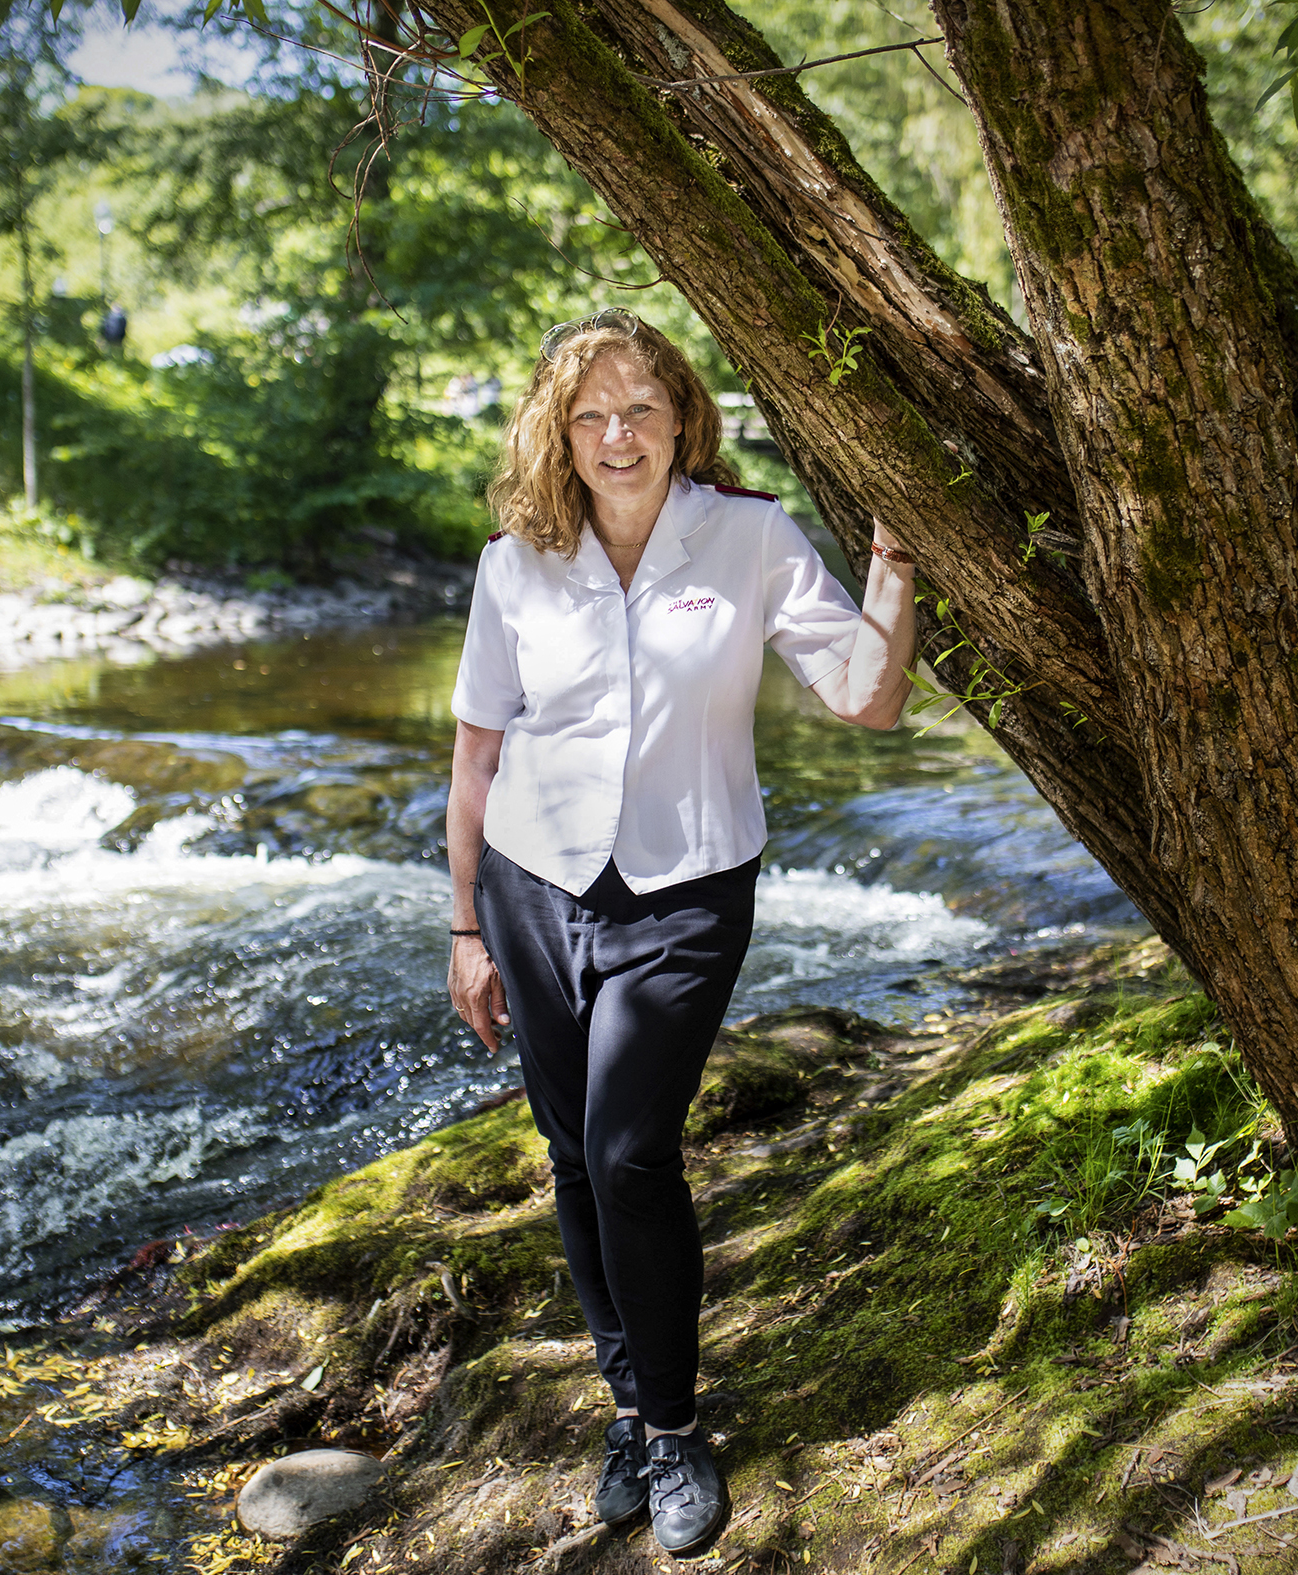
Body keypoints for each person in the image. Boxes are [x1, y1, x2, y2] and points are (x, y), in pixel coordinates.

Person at [445, 309, 916, 1558]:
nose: (618, 435)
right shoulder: (515, 563)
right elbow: (478, 753)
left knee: (628, 1153)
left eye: (641, 409)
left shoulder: (748, 536)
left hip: (688, 892)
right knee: (571, 1157)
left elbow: (865, 698)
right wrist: (465, 925)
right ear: (558, 433)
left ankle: (671, 1428)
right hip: (531, 886)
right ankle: (624, 1406)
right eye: (591, 415)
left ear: (681, 418)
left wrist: (895, 566)